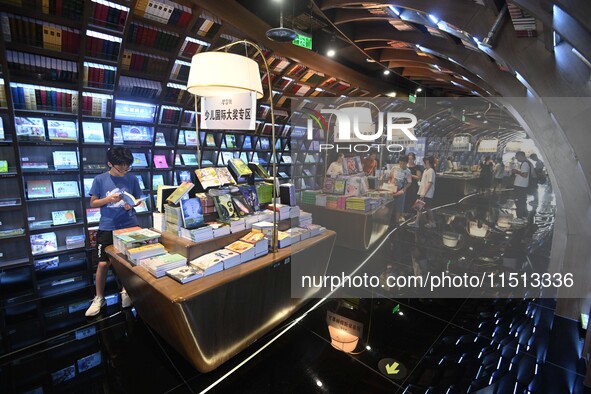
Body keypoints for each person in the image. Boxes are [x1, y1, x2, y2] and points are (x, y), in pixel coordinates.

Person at [85, 147, 143, 317]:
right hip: (108, 226)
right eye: (121, 167)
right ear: (110, 163)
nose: (125, 170)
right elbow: (93, 203)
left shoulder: (132, 178)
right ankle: (99, 297)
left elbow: (138, 198)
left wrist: (132, 204)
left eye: (128, 166)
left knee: (128, 261)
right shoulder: (100, 179)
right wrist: (108, 200)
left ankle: (126, 291)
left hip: (130, 224)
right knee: (103, 263)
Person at [410, 156, 436, 228]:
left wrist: (424, 193)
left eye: (424, 161)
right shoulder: (426, 170)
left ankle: (432, 222)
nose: (423, 163)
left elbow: (430, 183)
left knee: (425, 208)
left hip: (426, 194)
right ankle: (417, 222)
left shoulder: (431, 171)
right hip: (422, 192)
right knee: (420, 208)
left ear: (427, 162)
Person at [388, 154, 412, 225]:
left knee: (399, 206)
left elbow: (409, 183)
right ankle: (389, 221)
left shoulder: (408, 171)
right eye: (400, 163)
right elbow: (390, 177)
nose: (402, 165)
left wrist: (404, 189)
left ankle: (396, 221)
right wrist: (390, 184)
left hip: (401, 191)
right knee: (390, 205)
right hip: (392, 189)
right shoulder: (394, 168)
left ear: (407, 163)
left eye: (404, 164)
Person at [511, 151, 531, 219]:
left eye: (517, 157)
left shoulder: (525, 163)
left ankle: (520, 217)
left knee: (519, 202)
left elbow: (525, 175)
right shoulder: (526, 163)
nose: (516, 158)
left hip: (520, 185)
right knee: (522, 201)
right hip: (522, 185)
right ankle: (524, 215)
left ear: (520, 156)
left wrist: (516, 171)